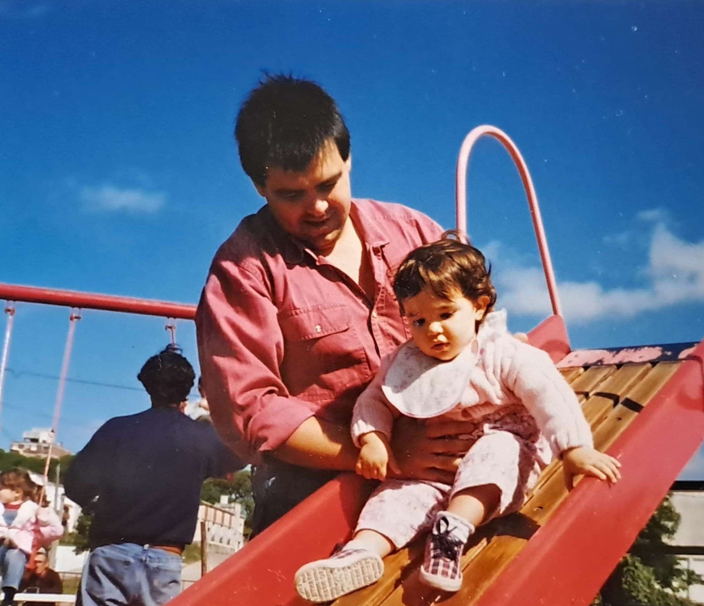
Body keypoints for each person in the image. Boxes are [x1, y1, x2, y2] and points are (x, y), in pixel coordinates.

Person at [197, 74, 472, 535]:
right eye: (291, 194)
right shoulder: (241, 268)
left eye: (328, 184)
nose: (317, 208)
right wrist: (385, 454)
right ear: (258, 185)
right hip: (316, 496)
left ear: (349, 159)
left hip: (446, 476)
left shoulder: (417, 231)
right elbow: (252, 410)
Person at [293, 236, 621, 601]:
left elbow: (549, 394)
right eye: (417, 319)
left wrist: (573, 448)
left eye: (445, 314)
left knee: (497, 449)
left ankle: (450, 535)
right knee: (397, 496)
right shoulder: (405, 363)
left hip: (501, 463)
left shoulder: (502, 353)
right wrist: (373, 438)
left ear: (479, 307)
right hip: (433, 472)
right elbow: (374, 400)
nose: (432, 329)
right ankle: (362, 551)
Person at [63, 345, 243, 606]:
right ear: (188, 388)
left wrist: (100, 507)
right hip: (164, 558)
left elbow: (75, 486)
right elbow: (240, 456)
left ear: (146, 385)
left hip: (112, 552)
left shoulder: (117, 429)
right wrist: (210, 413)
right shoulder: (201, 437)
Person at [0, 470, 63, 606]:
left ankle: (9, 592)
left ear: (16, 492)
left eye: (1, 489)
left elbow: (56, 531)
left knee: (14, 556)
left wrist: (44, 519)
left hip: (17, 548)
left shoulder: (33, 510)